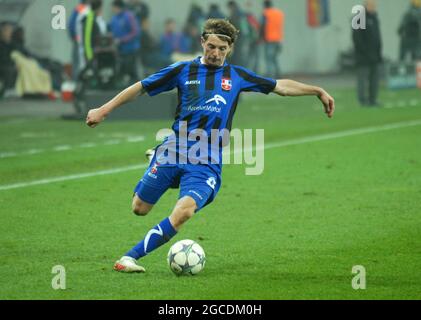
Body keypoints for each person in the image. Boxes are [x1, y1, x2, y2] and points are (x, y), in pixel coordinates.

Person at [85, 18, 335, 273]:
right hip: (175, 149)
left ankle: (129, 257)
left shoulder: (237, 76)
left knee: (184, 211)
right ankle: (156, 159)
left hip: (207, 160)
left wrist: (316, 90)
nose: (215, 53)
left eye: (222, 49)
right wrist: (104, 110)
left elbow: (280, 86)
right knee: (139, 209)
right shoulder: (182, 70)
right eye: (211, 46)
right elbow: (140, 88)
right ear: (202, 42)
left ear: (230, 49)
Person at [352, 0, 382, 107]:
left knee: (374, 79)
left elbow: (377, 37)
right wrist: (365, 53)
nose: (373, 6)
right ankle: (362, 101)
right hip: (363, 57)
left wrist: (378, 53)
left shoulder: (374, 17)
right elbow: (357, 38)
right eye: (371, 4)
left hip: (375, 56)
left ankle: (373, 99)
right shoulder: (358, 17)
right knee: (363, 80)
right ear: (366, 4)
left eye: (374, 4)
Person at [109, 0, 141, 85]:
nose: (112, 9)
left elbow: (135, 31)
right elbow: (112, 31)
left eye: (113, 7)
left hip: (131, 48)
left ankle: (138, 89)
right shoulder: (114, 18)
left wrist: (123, 39)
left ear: (117, 7)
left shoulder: (129, 16)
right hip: (120, 49)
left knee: (132, 71)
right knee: (122, 70)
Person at [262, 0, 284, 78]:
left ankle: (270, 75)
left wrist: (261, 37)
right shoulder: (279, 13)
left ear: (265, 5)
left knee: (269, 58)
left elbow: (263, 26)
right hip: (278, 39)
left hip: (269, 39)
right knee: (274, 58)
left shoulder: (266, 13)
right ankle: (278, 74)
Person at [68, 0, 89, 81]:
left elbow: (70, 25)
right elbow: (71, 25)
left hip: (79, 41)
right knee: (79, 63)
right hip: (80, 42)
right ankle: (77, 82)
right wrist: (76, 38)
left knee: (77, 62)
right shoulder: (82, 9)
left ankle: (76, 82)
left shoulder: (80, 8)